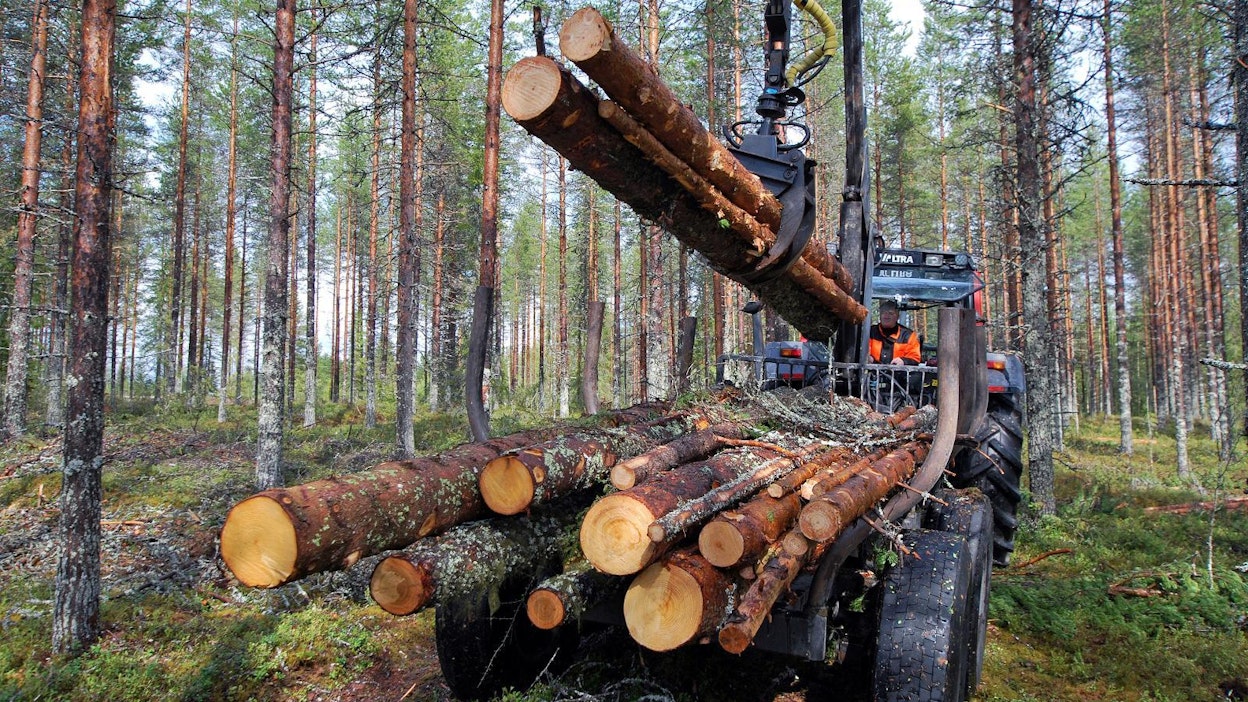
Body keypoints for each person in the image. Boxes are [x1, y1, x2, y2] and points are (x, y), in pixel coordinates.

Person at [869, 300, 921, 365]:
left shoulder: (908, 335)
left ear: (897, 316)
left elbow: (915, 358)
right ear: (880, 315)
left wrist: (903, 361)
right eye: (884, 313)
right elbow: (863, 351)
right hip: (873, 372)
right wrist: (868, 358)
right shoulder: (870, 332)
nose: (886, 316)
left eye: (891, 313)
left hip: (899, 373)